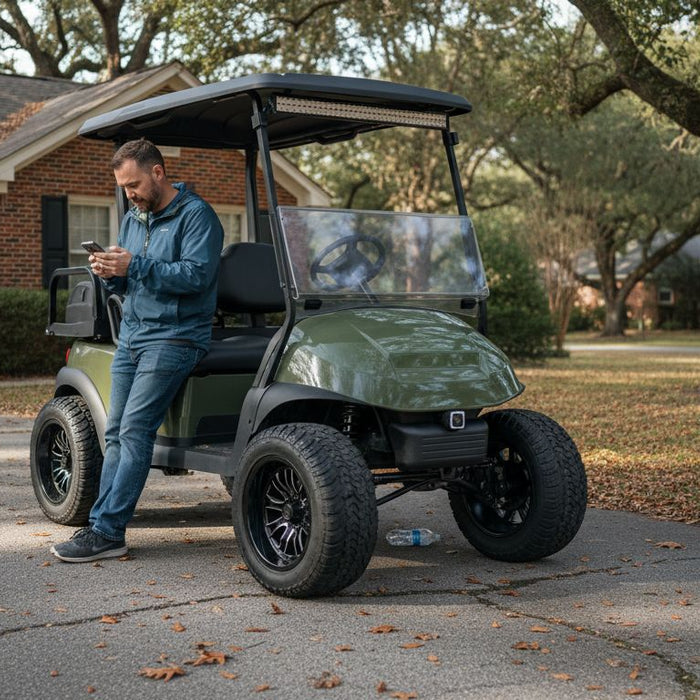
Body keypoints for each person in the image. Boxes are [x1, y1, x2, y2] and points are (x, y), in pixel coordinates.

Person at [51, 138, 223, 563]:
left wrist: (135, 266)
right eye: (124, 187)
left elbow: (197, 277)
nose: (129, 194)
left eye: (133, 185)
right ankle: (100, 527)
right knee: (114, 431)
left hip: (177, 336)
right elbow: (128, 281)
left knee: (133, 431)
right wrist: (109, 272)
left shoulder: (197, 216)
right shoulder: (134, 217)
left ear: (158, 173)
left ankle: (108, 531)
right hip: (132, 336)